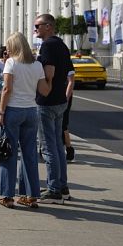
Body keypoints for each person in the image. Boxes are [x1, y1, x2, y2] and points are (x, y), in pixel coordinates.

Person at [0, 32, 51, 209]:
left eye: (8, 46)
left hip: (12, 111)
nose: (7, 49)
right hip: (31, 111)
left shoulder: (11, 63)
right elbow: (44, 91)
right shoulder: (37, 65)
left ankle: (7, 196)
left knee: (8, 153)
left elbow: (6, 89)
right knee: (29, 155)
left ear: (14, 47)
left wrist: (1, 112)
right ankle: (31, 196)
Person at [33, 13, 74, 204]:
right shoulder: (62, 45)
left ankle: (54, 190)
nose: (35, 30)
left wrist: (43, 91)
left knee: (48, 147)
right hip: (60, 101)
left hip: (47, 102)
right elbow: (68, 73)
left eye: (38, 26)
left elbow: (49, 73)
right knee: (58, 146)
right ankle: (62, 185)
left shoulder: (48, 45)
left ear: (48, 26)